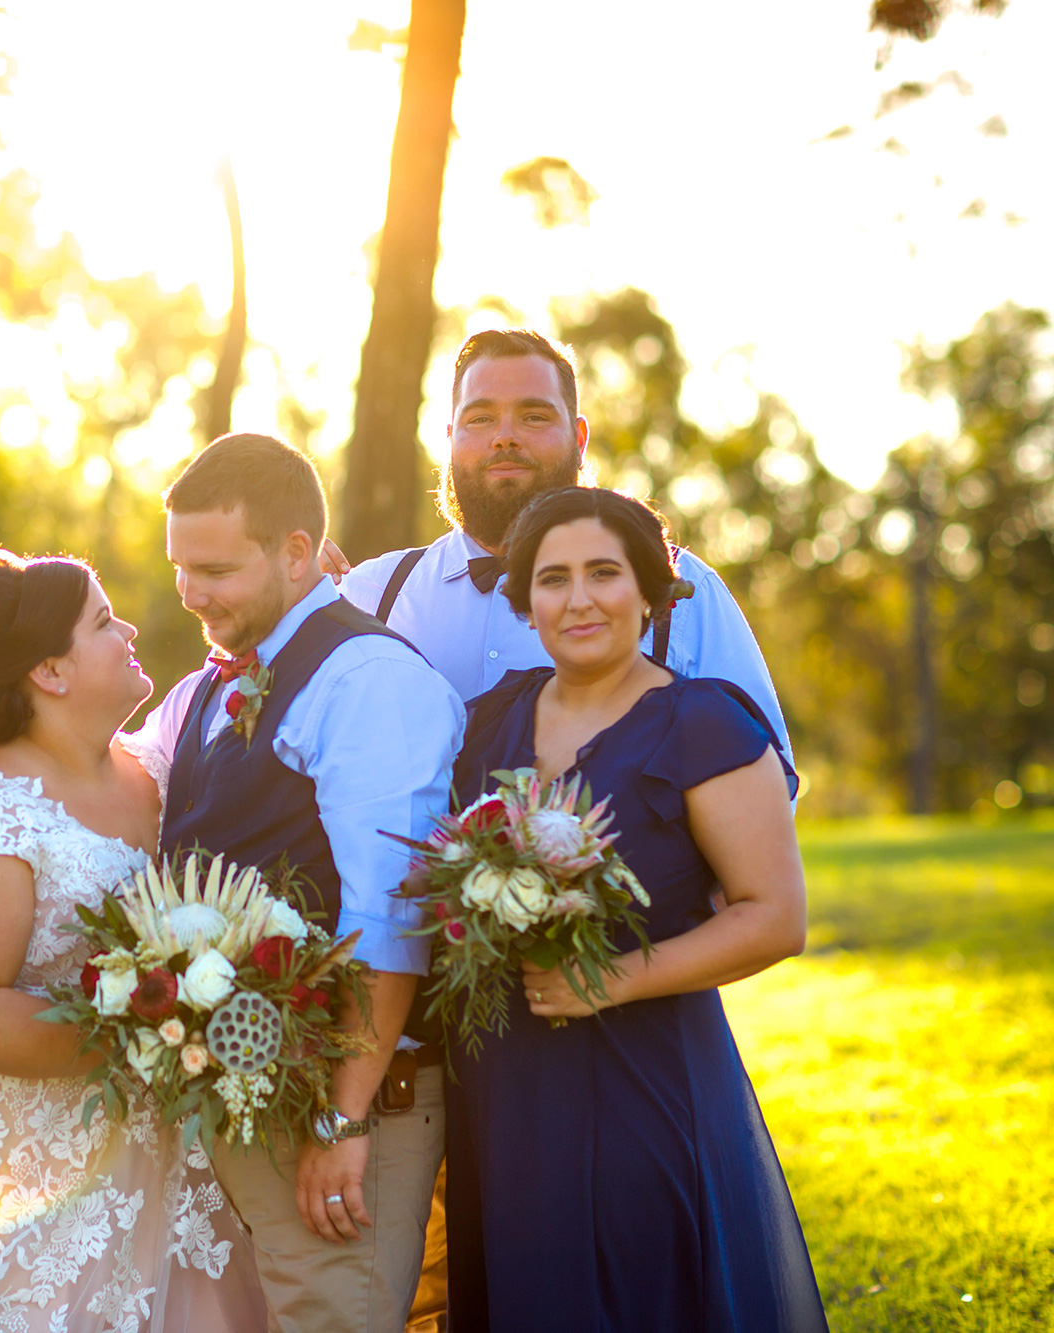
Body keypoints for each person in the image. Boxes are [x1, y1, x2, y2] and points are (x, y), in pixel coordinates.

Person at [327, 330, 793, 1329]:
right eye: (479, 417)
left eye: (532, 414)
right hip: (450, 1052)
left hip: (636, 1034)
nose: (577, 599)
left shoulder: (692, 634)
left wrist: (622, 952)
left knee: (640, 1276)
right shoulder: (383, 607)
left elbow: (757, 842)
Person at [444, 486, 826, 1332]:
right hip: (506, 1090)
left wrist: (609, 979)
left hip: (646, 1079)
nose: (577, 599)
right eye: (552, 579)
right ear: (524, 600)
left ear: (650, 591)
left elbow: (775, 916)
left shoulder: (706, 725)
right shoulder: (483, 725)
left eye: (604, 573)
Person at [127, 433, 465, 1331]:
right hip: (246, 1102)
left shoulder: (369, 678)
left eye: (215, 569)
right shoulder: (205, 684)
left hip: (350, 1105)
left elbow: (391, 920)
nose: (192, 594)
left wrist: (342, 1125)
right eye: (179, 569)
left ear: (297, 552)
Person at [0, 546, 265, 1333]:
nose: (127, 627)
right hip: (29, 1183)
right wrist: (148, 1034)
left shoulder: (154, 768)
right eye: (102, 620)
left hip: (169, 1166)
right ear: (50, 672)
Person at [333, 328, 788, 756]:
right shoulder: (368, 597)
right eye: (480, 418)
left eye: (534, 416)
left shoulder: (681, 589)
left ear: (579, 437)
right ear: (450, 440)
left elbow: (761, 780)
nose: (504, 437)